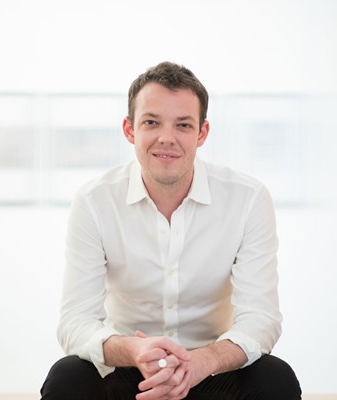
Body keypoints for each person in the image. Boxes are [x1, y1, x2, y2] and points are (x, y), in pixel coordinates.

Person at [40, 61, 301, 399]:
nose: (167, 138)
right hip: (131, 368)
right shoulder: (94, 201)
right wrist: (134, 350)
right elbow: (75, 322)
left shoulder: (248, 198)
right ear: (130, 129)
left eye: (183, 124)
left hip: (212, 367)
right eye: (151, 122)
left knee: (275, 377)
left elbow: (261, 318)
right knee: (68, 376)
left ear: (201, 133)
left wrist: (203, 361)